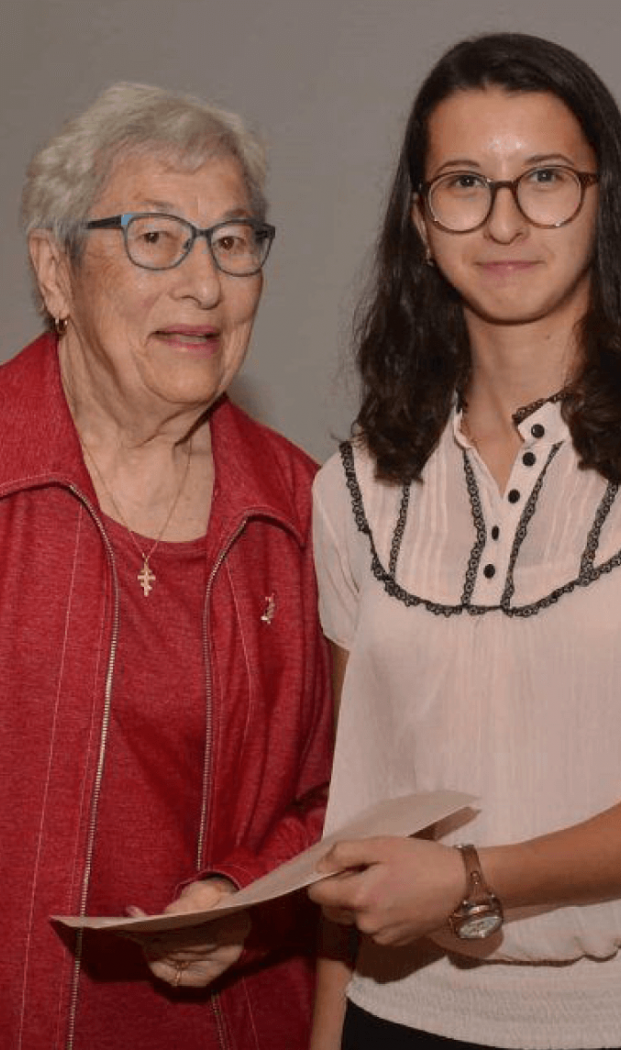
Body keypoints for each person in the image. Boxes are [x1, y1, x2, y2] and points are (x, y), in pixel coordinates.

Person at [309, 32, 621, 1050]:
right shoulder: (350, 489)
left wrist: (478, 878)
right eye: (464, 182)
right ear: (419, 220)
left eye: (545, 178)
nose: (505, 217)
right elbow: (359, 826)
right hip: (396, 1015)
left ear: (603, 199)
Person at [1, 82, 331, 1050]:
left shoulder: (310, 514)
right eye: (154, 237)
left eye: (231, 243)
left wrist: (247, 891)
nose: (204, 284)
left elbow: (354, 793)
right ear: (55, 271)